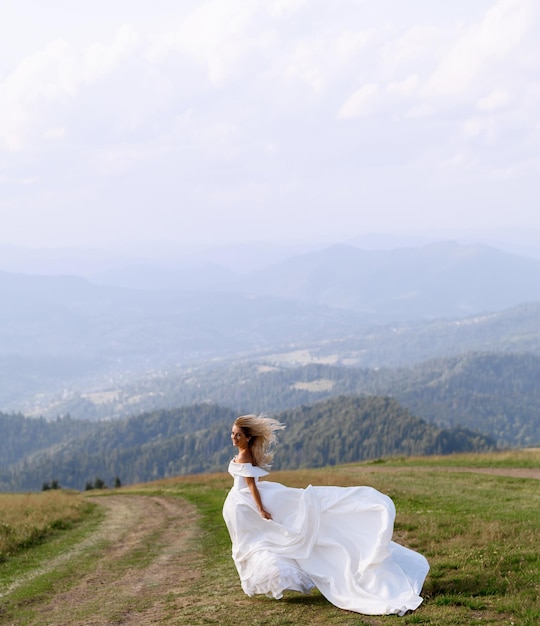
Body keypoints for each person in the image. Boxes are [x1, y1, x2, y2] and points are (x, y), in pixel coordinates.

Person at [222, 414, 430, 617]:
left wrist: (259, 509)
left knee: (274, 534)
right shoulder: (244, 454)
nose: (233, 438)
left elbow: (251, 486)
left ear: (248, 437)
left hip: (248, 502)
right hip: (243, 502)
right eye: (233, 434)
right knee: (269, 536)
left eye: (238, 434)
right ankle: (275, 570)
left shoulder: (243, 456)